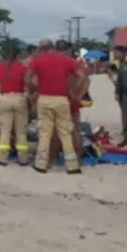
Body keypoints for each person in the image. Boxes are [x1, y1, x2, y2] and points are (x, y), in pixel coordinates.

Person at [26, 39, 86, 174]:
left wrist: (33, 88)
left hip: (44, 99)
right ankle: (72, 165)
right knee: (65, 132)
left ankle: (41, 164)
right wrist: (75, 90)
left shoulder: (38, 61)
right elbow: (82, 76)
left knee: (45, 133)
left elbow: (28, 76)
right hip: (61, 99)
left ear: (43, 49)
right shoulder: (67, 60)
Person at [0, 47, 29, 165]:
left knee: (5, 130)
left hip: (5, 99)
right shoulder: (22, 67)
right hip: (19, 98)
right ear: (18, 55)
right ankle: (23, 159)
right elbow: (27, 86)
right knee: (21, 131)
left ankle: (2, 157)